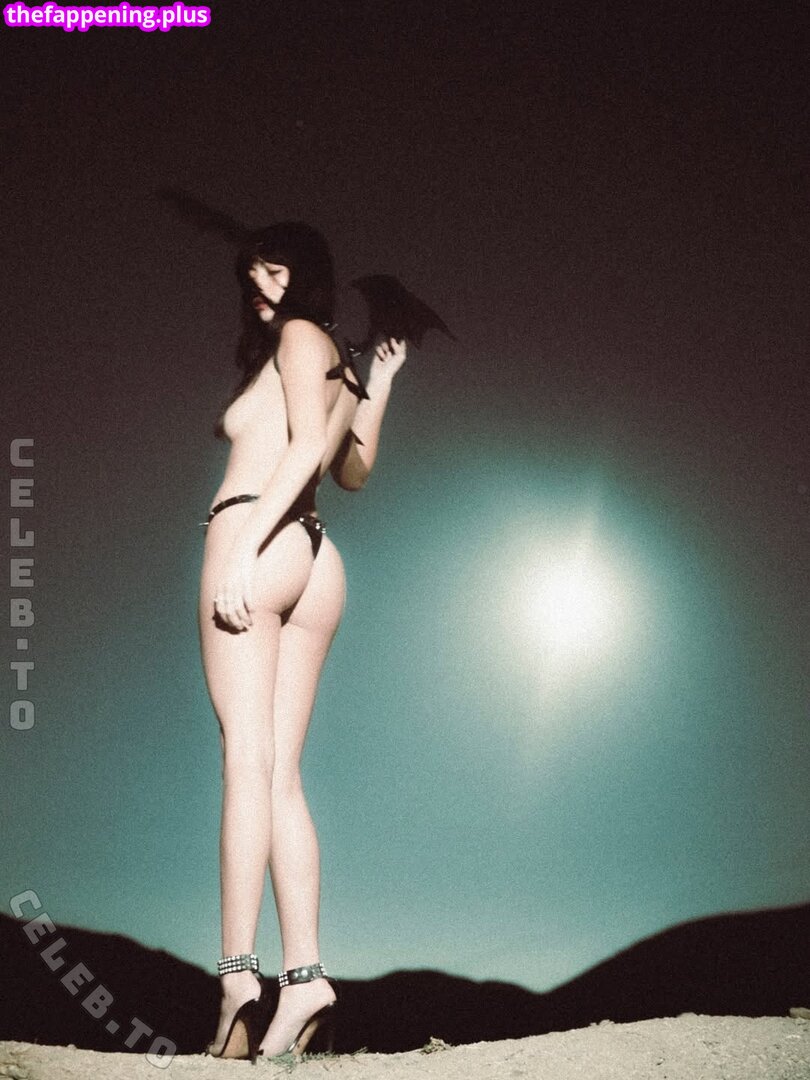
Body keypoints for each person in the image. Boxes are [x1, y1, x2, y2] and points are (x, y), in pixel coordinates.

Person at [198, 222, 406, 1061]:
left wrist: (242, 553)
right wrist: (380, 383)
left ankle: (236, 979)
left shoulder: (297, 337)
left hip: (259, 529)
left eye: (275, 268)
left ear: (307, 276)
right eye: (250, 271)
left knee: (245, 760)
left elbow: (311, 454)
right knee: (279, 773)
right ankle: (307, 975)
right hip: (319, 560)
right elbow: (353, 470)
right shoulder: (338, 361)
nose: (259, 282)